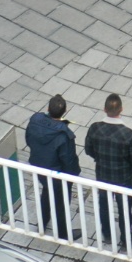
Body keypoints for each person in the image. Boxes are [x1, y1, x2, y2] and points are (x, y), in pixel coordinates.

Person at [85, 94, 132, 248]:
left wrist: (100, 158)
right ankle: (126, 238)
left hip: (103, 175)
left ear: (104, 109)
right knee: (125, 209)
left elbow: (88, 150)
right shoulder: (128, 134)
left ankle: (107, 234)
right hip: (123, 179)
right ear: (121, 109)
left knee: (104, 205)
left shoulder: (95, 128)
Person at [26, 94, 80, 239]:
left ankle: (42, 223)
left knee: (47, 192)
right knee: (61, 202)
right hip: (57, 173)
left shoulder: (35, 120)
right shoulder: (64, 134)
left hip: (38, 165)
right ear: (65, 111)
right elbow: (68, 159)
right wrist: (73, 175)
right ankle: (62, 233)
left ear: (48, 108)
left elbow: (28, 140)